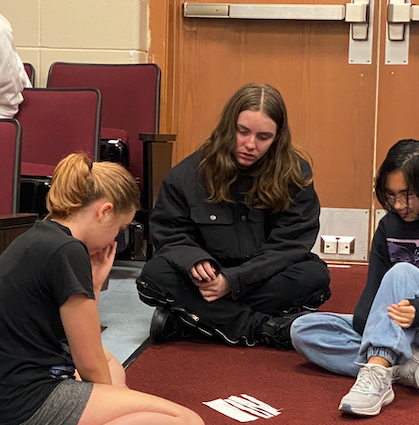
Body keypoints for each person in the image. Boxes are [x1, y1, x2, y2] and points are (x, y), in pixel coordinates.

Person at [0, 153, 206, 425]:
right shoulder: (67, 251)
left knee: (112, 364)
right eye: (120, 229)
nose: (114, 242)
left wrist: (91, 288)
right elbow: (88, 362)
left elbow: (62, 332)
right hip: (19, 419)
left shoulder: (42, 234)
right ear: (104, 211)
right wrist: (121, 411)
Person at [291, 139, 419, 417]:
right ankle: (405, 366)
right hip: (401, 326)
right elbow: (372, 293)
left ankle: (378, 374)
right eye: (391, 195)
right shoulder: (389, 225)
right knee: (303, 330)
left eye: (408, 195)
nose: (399, 205)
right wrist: (370, 322)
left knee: (402, 272)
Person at [136, 82, 331, 349]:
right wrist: (193, 260)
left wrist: (234, 281)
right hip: (206, 277)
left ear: (278, 137)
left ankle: (187, 321)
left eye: (263, 137)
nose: (250, 145)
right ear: (229, 126)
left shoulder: (295, 175)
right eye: (242, 132)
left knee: (313, 276)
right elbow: (169, 232)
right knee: (155, 274)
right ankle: (264, 329)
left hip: (259, 275)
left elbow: (289, 246)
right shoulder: (188, 173)